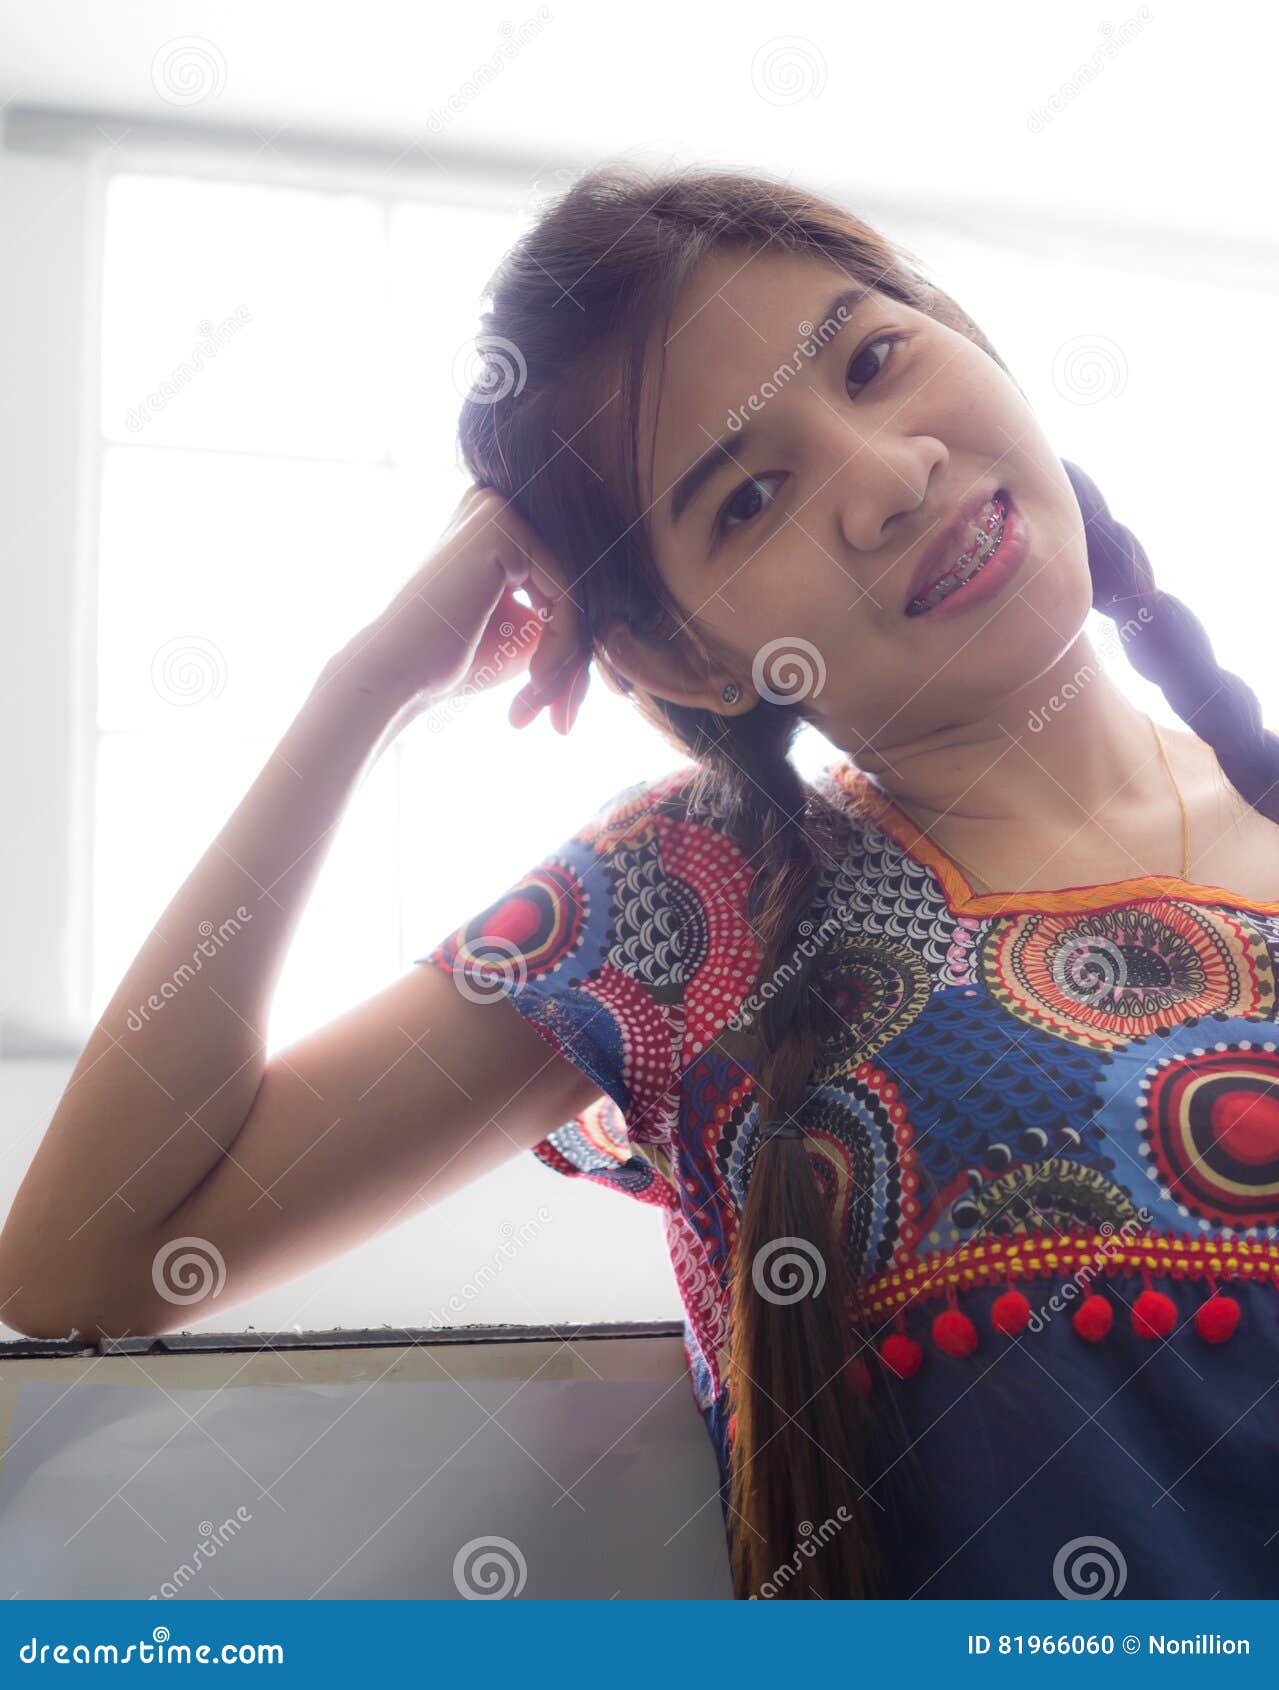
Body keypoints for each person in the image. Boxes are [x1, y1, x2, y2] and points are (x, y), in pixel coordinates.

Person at [4, 164, 1278, 1601]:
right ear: (683, 657)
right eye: (746, 498)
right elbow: (83, 1260)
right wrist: (363, 689)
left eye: (873, 359)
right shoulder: (691, 901)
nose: (885, 477)